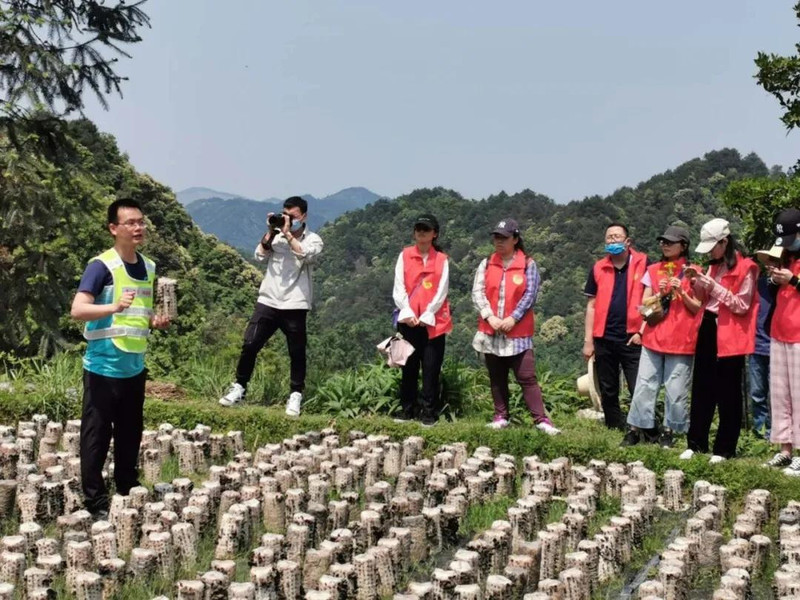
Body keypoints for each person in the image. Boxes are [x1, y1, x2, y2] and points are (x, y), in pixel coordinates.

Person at [70, 198, 170, 521]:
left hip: (134, 366)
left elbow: (142, 313)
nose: (138, 227)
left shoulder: (149, 267)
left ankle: (127, 488)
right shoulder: (101, 267)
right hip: (102, 366)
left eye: (141, 222)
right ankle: (95, 501)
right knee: (96, 435)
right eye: (131, 223)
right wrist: (112, 307)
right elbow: (78, 310)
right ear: (114, 229)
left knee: (131, 432)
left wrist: (155, 321)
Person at [219, 197, 323, 415]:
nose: (289, 220)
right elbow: (259, 254)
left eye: (293, 217)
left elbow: (304, 254)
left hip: (295, 302)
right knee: (250, 343)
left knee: (296, 351)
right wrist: (272, 231)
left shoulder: (313, 239)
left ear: (303, 216)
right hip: (268, 299)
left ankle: (295, 394)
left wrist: (286, 233)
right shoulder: (275, 236)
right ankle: (240, 387)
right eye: (286, 215)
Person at [472, 219, 559, 434]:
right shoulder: (486, 263)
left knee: (526, 376)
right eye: (496, 237)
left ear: (516, 239)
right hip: (491, 328)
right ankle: (501, 415)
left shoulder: (528, 264)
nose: (499, 242)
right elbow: (478, 292)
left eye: (504, 238)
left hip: (518, 331)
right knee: (496, 376)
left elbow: (530, 294)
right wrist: (490, 317)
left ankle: (540, 420)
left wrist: (513, 318)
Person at [683, 218, 759, 463]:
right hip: (708, 325)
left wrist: (713, 286)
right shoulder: (712, 265)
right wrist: (696, 282)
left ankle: (725, 448)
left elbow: (741, 305)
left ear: (724, 242)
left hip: (731, 331)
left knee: (728, 392)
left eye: (713, 246)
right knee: (702, 386)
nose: (710, 253)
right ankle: (696, 443)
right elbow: (703, 299)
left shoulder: (746, 268)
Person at [622, 226, 703, 448]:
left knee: (676, 390)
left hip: (682, 340)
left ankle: (671, 431)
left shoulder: (694, 271)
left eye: (671, 242)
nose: (665, 245)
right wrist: (661, 293)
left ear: (684, 246)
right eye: (663, 242)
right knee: (645, 385)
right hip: (653, 338)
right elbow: (644, 306)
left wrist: (682, 292)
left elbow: (698, 307)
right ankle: (634, 429)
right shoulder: (654, 269)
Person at [583, 223, 649, 430]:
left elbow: (652, 302)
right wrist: (588, 341)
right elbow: (591, 306)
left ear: (628, 241)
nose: (612, 241)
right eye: (609, 237)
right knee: (608, 387)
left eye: (617, 237)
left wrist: (642, 331)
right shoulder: (598, 268)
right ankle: (614, 426)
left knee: (638, 385)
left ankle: (642, 427)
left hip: (633, 336)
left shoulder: (644, 263)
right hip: (604, 336)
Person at [392, 214, 452, 426]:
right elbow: (399, 287)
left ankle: (428, 411)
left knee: (431, 367)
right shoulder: (405, 255)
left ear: (434, 234)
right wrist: (407, 313)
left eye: (426, 229)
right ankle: (407, 408)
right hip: (408, 321)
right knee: (408, 366)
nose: (421, 232)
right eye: (418, 228)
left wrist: (427, 314)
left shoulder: (442, 260)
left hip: (433, 322)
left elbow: (442, 291)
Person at [763, 208, 800, 474]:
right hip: (779, 331)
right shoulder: (787, 257)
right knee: (781, 395)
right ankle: (784, 449)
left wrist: (794, 279)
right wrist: (776, 278)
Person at [750, 273, 774, 441]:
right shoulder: (759, 283)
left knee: (777, 396)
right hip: (756, 345)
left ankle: (776, 434)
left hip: (779, 346)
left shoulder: (788, 285)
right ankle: (761, 433)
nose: (772, 266)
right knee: (757, 393)